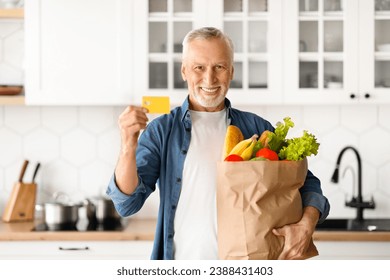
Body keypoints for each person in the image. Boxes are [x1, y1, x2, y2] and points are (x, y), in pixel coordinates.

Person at [106, 27, 330, 260]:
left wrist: (307, 224)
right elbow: (127, 204)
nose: (209, 78)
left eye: (219, 67)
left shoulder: (257, 129)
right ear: (184, 71)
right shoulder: (162, 130)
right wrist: (127, 144)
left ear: (231, 71)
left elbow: (306, 183)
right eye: (199, 67)